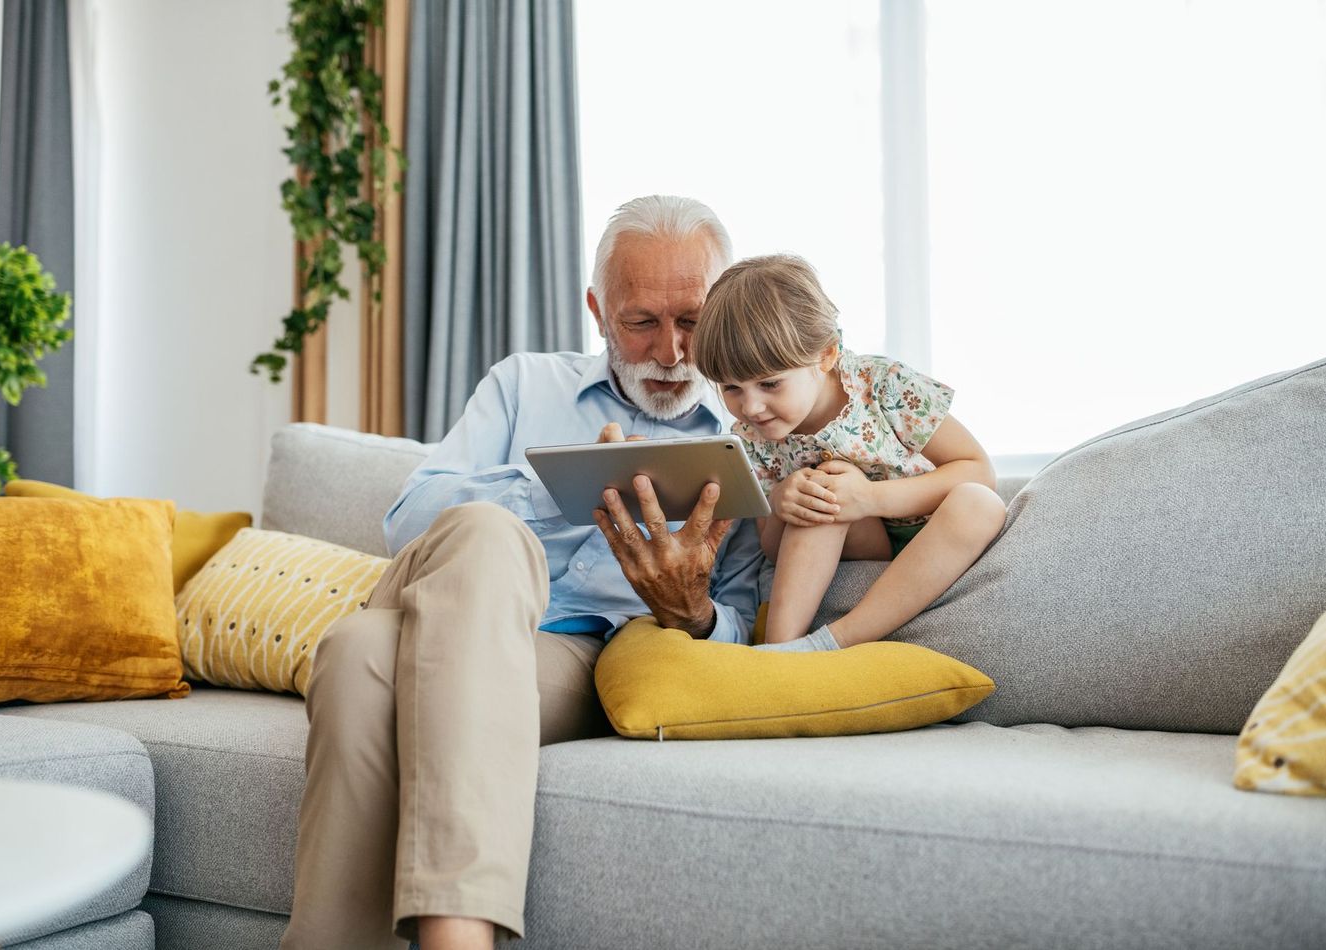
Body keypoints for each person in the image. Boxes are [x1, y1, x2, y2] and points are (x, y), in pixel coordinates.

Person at [279, 196, 762, 950]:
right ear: (597, 310)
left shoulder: (750, 433)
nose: (670, 351)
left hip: (574, 659)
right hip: (441, 598)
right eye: (641, 322)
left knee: (356, 655)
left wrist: (690, 610)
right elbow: (407, 519)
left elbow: (743, 626)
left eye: (692, 321)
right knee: (483, 528)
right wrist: (556, 488)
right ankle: (457, 934)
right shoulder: (523, 384)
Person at [692, 253, 1006, 651]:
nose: (751, 407)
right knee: (819, 494)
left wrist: (872, 498)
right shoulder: (752, 437)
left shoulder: (883, 385)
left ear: (825, 355)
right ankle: (777, 652)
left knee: (980, 503)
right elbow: (773, 551)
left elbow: (978, 470)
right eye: (731, 389)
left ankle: (831, 642)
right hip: (865, 544)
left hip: (933, 528)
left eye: (770, 384)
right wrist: (781, 503)